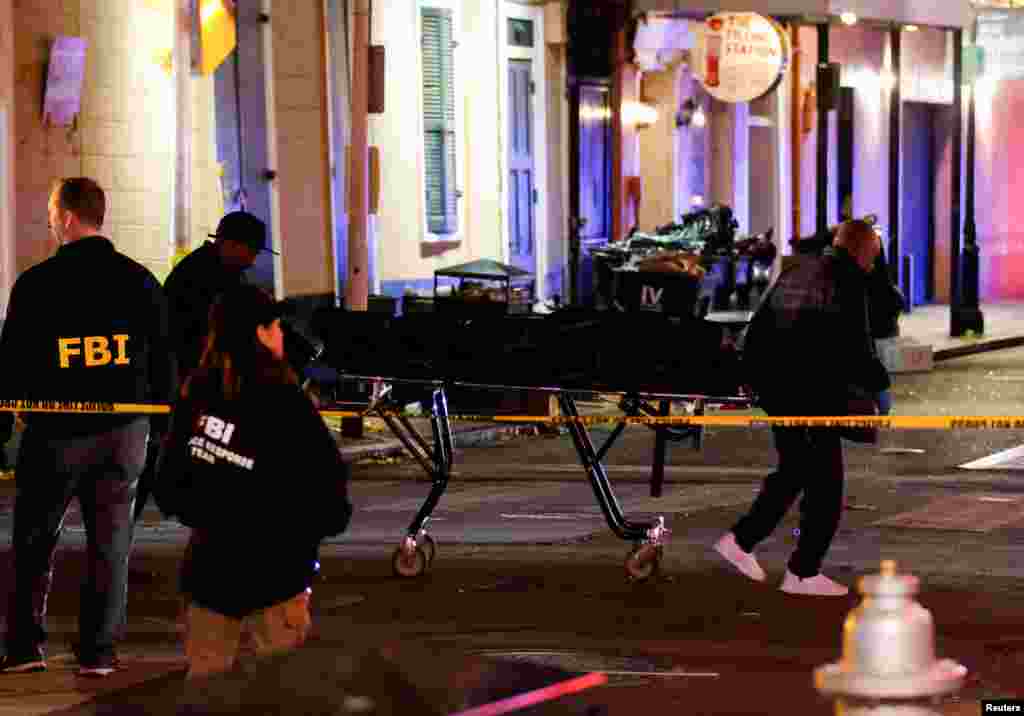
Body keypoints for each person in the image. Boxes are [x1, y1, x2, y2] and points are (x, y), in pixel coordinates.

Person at [0, 177, 176, 675]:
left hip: (54, 433)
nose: (50, 222)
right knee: (111, 543)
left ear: (70, 218)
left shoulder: (36, 284)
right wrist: (158, 428)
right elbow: (165, 361)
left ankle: (23, 648)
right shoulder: (141, 281)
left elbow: (11, 361)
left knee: (34, 539)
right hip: (125, 435)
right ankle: (98, 652)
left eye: (53, 214)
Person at [153, 285, 352, 679]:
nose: (280, 334)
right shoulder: (285, 402)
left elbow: (169, 488)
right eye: (275, 326)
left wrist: (215, 511)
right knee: (283, 693)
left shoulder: (197, 395)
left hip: (211, 573)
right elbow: (329, 495)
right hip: (276, 575)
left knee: (206, 694)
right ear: (261, 333)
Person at [714, 219, 890, 597]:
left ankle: (742, 540)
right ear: (861, 251)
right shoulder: (847, 280)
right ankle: (803, 572)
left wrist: (751, 376)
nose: (874, 265)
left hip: (778, 388)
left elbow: (759, 327)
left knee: (795, 469)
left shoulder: (797, 270)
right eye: (873, 256)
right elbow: (856, 345)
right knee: (826, 485)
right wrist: (880, 388)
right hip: (812, 393)